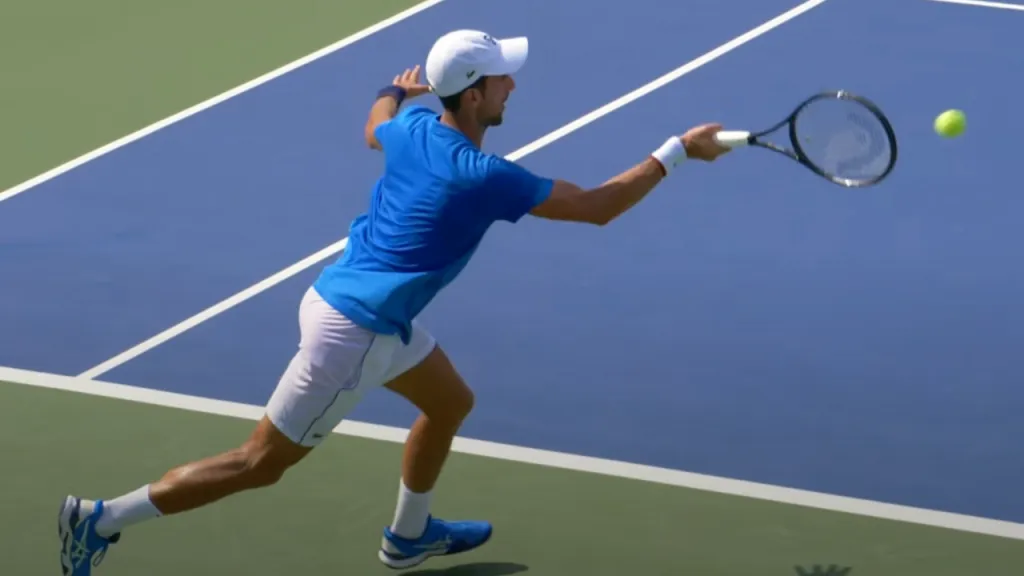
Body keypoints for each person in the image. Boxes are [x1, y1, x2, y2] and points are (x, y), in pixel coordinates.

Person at [57, 28, 731, 575]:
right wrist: (676, 151)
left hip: (344, 299)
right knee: (259, 464)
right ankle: (101, 520)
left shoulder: (413, 127)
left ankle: (408, 537)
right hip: (356, 333)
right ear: (472, 97)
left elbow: (376, 122)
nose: (513, 85)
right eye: (502, 78)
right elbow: (596, 208)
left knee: (449, 402)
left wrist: (394, 89)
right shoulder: (482, 177)